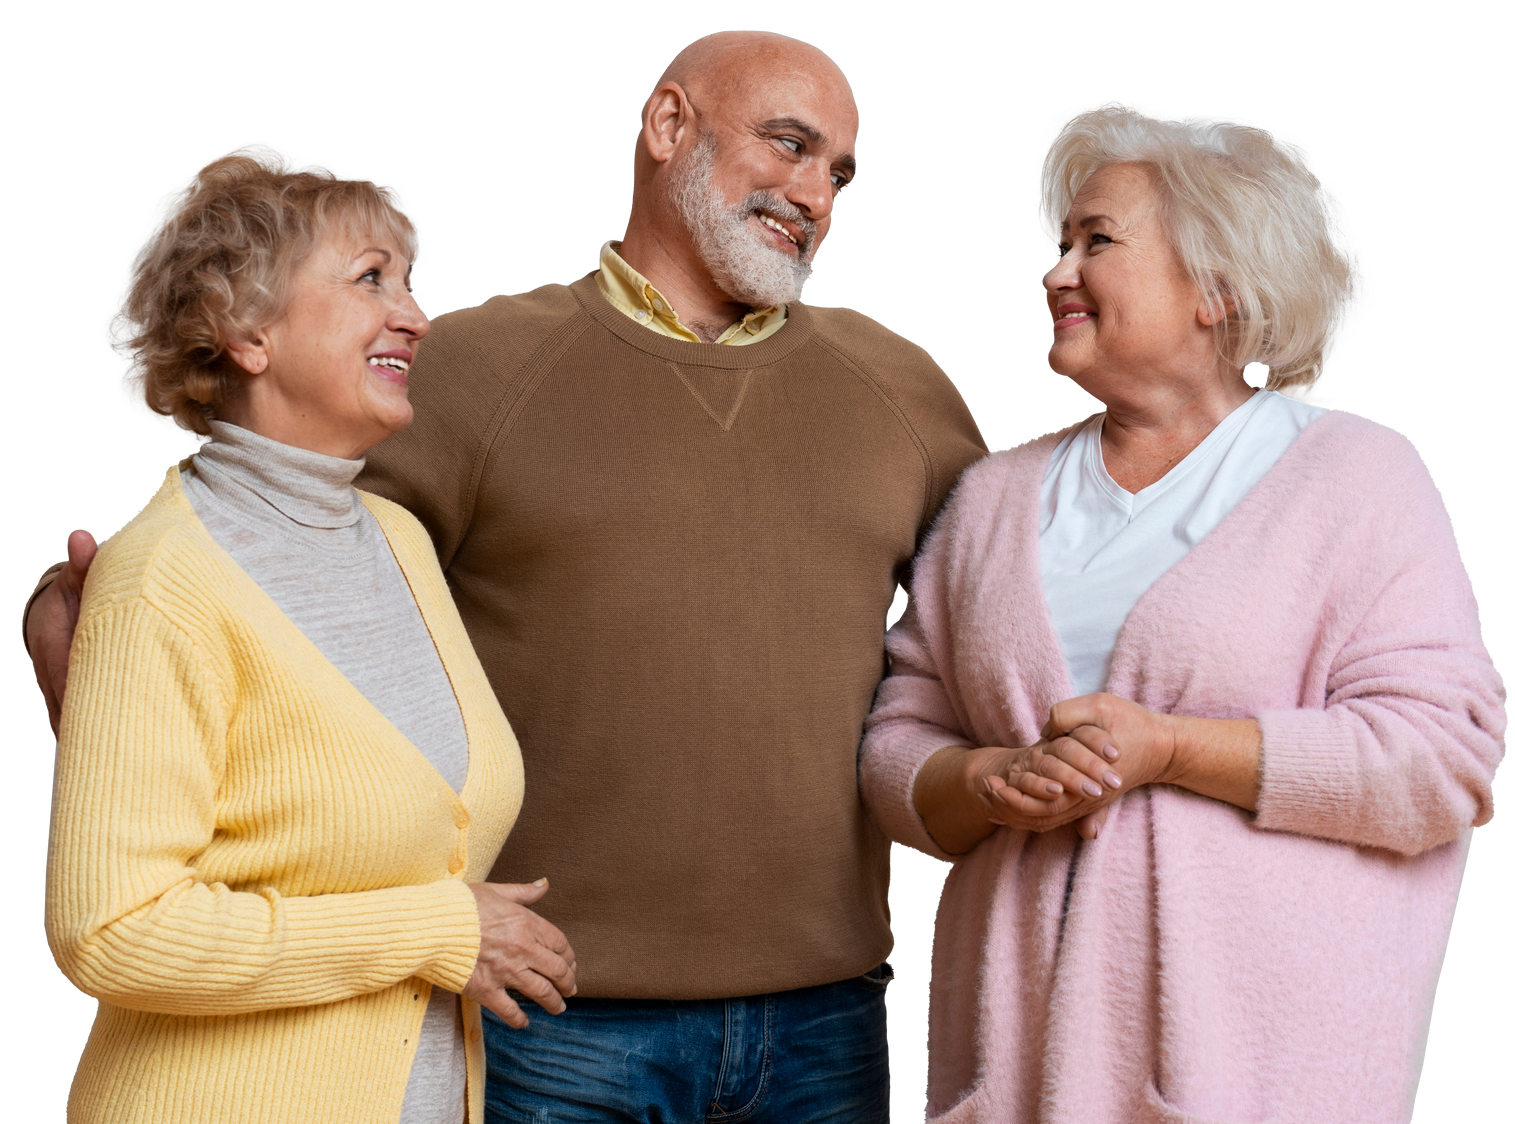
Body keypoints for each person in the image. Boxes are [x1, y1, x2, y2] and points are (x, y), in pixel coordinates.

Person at [27, 32, 989, 1123]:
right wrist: (77, 631)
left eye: (840, 171)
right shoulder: (464, 373)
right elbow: (246, 510)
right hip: (551, 1006)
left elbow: (1013, 595)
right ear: (669, 126)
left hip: (828, 1014)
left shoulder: (898, 384)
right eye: (789, 144)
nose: (814, 191)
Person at [859, 100, 1507, 1122]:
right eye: (1056, 244)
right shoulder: (993, 496)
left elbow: (1441, 760)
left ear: (1217, 287)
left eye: (1096, 241)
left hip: (1263, 1075)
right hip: (1016, 1077)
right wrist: (988, 777)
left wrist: (1167, 747)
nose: (1056, 272)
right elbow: (900, 736)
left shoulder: (1356, 479)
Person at [41, 144, 578, 1124]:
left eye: (413, 283)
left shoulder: (402, 540)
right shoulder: (160, 577)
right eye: (371, 279)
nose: (414, 314)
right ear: (246, 328)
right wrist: (436, 929)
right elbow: (110, 931)